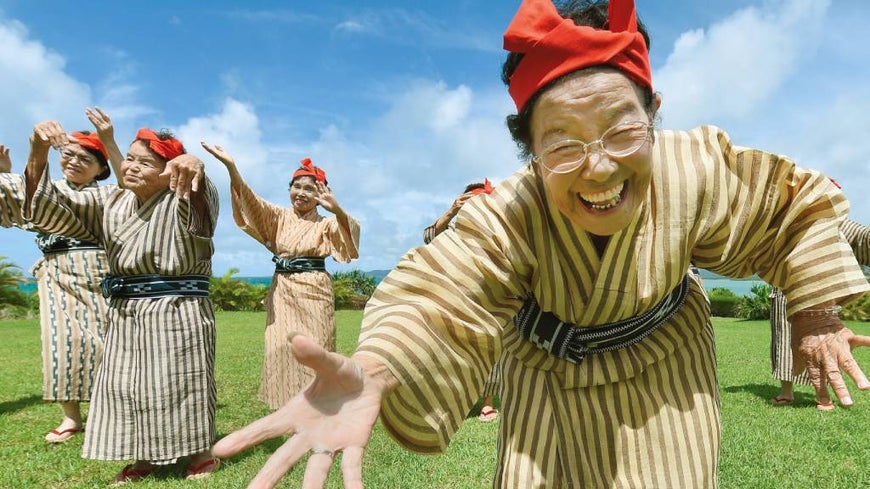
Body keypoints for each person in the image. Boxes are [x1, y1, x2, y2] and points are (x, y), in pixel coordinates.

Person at [211, 1, 870, 487]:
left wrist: (816, 314)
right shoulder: (511, 211)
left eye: (620, 130)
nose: (600, 168)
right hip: (545, 383)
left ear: (652, 111)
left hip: (668, 377)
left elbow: (788, 208)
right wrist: (376, 368)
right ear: (528, 149)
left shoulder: (692, 166)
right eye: (563, 143)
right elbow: (442, 288)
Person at [23, 119, 221, 484]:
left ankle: (200, 450)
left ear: (169, 173)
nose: (129, 167)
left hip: (179, 307)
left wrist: (195, 163)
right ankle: (143, 457)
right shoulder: (110, 200)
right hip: (126, 311)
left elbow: (201, 205)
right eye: (128, 159)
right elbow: (46, 206)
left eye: (144, 163)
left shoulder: (183, 194)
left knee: (183, 380)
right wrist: (37, 149)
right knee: (127, 384)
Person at [202, 143, 360, 409]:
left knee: (317, 350)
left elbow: (350, 239)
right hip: (282, 292)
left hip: (314, 292)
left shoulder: (326, 222)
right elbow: (250, 201)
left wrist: (338, 211)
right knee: (281, 350)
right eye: (296, 187)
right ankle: (288, 409)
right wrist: (231, 167)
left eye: (309, 189)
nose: (301, 193)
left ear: (321, 194)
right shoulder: (278, 217)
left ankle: (321, 407)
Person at [0, 127, 115, 444]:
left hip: (98, 273)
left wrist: (21, 173)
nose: (76, 160)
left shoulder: (107, 194)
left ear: (101, 168)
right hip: (56, 274)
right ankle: (71, 417)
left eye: (86, 157)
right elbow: (30, 204)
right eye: (70, 153)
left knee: (106, 344)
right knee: (61, 344)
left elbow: (39, 201)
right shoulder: (51, 189)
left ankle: (111, 410)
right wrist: (7, 174)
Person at [769, 217, 870, 410]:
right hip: (784, 288)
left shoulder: (823, 208)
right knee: (783, 343)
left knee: (819, 343)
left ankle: (822, 395)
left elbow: (857, 235)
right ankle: (787, 391)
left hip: (818, 292)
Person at [423, 179, 500, 422]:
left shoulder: (496, 231)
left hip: (488, 299)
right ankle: (452, 400)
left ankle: (487, 402)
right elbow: (429, 237)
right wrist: (452, 209)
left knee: (490, 349)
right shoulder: (454, 231)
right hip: (455, 298)